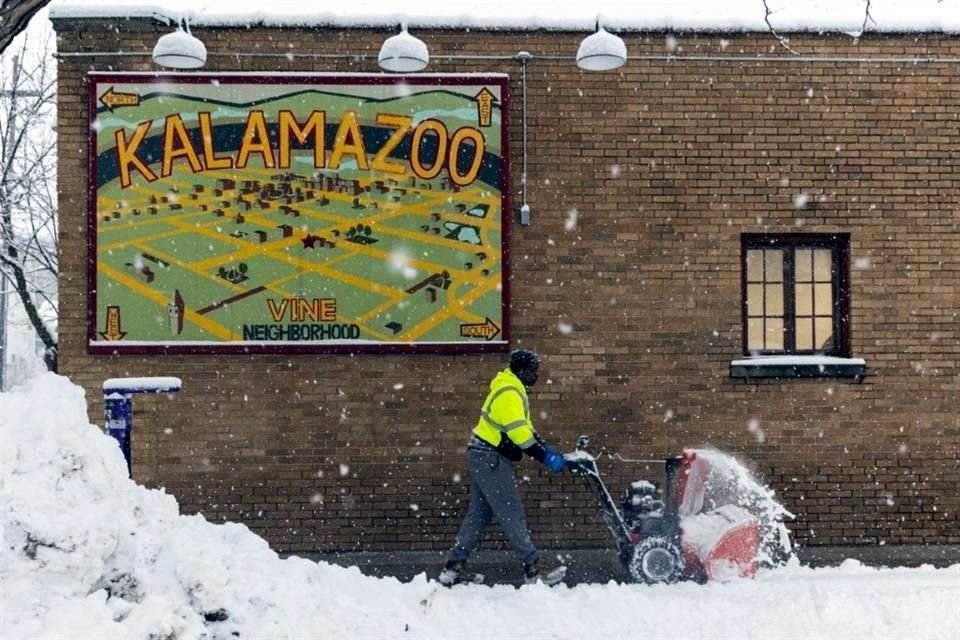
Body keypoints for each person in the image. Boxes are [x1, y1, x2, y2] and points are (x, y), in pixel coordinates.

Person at [439, 348, 568, 587]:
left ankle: (453, 568)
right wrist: (546, 458)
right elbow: (520, 436)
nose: (536, 376)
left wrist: (547, 448)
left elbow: (525, 428)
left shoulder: (512, 389)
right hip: (491, 458)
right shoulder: (509, 394)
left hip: (482, 455)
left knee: (479, 514)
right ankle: (533, 568)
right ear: (521, 371)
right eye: (533, 371)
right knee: (511, 512)